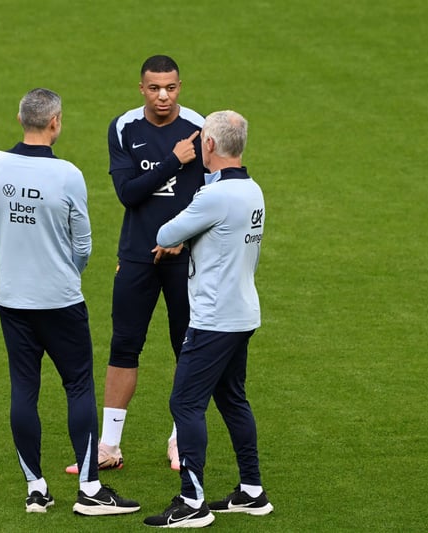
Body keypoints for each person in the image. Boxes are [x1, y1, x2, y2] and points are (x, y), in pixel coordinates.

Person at [0, 88, 139, 516]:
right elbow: (83, 243)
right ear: (55, 122)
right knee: (78, 386)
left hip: (11, 297)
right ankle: (90, 490)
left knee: (24, 389)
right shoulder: (67, 174)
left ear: (21, 119)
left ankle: (35, 488)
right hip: (59, 301)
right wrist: (66, 272)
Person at [66, 55, 204, 475]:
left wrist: (183, 239)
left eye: (171, 87)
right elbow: (128, 193)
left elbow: (212, 199)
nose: (163, 96)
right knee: (124, 346)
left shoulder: (201, 129)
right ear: (141, 88)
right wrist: (174, 162)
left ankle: (180, 439)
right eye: (154, 88)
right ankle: (109, 445)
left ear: (180, 87)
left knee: (187, 347)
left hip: (186, 258)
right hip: (137, 256)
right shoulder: (124, 127)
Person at [143, 110, 273, 528]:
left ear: (211, 145)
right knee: (232, 400)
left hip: (214, 319)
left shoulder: (214, 196)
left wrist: (183, 239)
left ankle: (192, 501)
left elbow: (165, 235)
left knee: (184, 403)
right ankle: (251, 491)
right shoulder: (253, 190)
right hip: (242, 313)